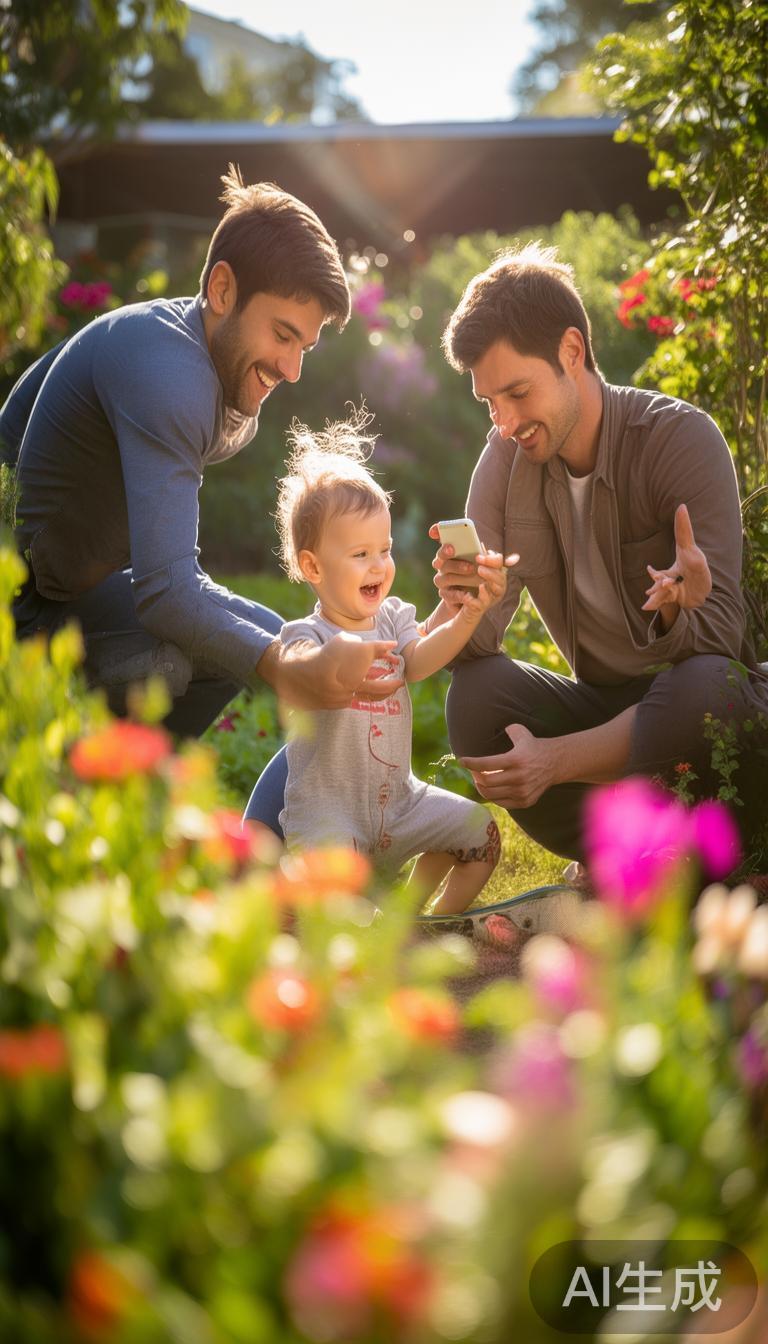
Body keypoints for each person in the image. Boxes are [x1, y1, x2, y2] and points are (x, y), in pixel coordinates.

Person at [0, 166, 401, 735]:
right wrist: (288, 669)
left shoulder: (188, 352)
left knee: (252, 636)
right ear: (221, 289)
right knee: (176, 659)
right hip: (15, 610)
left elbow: (173, 580)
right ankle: (86, 789)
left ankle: (129, 792)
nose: (292, 369)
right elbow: (167, 594)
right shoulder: (168, 373)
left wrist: (307, 645)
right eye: (282, 335)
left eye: (305, 347)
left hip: (64, 589)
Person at [427, 241, 767, 862]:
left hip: (694, 710)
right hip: (603, 705)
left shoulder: (680, 439)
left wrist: (674, 611)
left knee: (707, 689)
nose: (503, 422)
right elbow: (473, 650)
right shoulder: (505, 460)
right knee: (478, 697)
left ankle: (690, 851)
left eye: (518, 392)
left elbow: (721, 644)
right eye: (490, 403)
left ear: (572, 351)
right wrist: (463, 605)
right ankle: (630, 860)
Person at [247, 414, 511, 914]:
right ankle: (299, 900)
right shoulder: (305, 636)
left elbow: (419, 660)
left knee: (484, 837)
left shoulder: (392, 619)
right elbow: (298, 666)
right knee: (338, 912)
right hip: (329, 818)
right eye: (361, 553)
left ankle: (425, 918)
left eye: (385, 550)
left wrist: (469, 614)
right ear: (313, 567)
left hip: (400, 806)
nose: (379, 566)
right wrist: (332, 659)